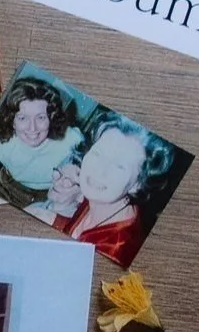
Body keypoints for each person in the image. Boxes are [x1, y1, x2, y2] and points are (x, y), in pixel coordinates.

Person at [52, 110, 180, 267]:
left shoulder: (115, 249)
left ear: (137, 184)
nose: (100, 170)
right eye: (98, 154)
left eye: (119, 166)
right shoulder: (101, 197)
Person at [0, 76, 82, 206]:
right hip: (9, 189)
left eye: (40, 117)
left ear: (51, 117)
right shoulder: (2, 144)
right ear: (11, 121)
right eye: (23, 118)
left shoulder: (72, 140)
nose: (32, 128)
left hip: (52, 194)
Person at [24, 160, 86, 226]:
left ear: (81, 196)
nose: (57, 183)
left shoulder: (71, 226)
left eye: (67, 182)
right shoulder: (36, 206)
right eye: (58, 174)